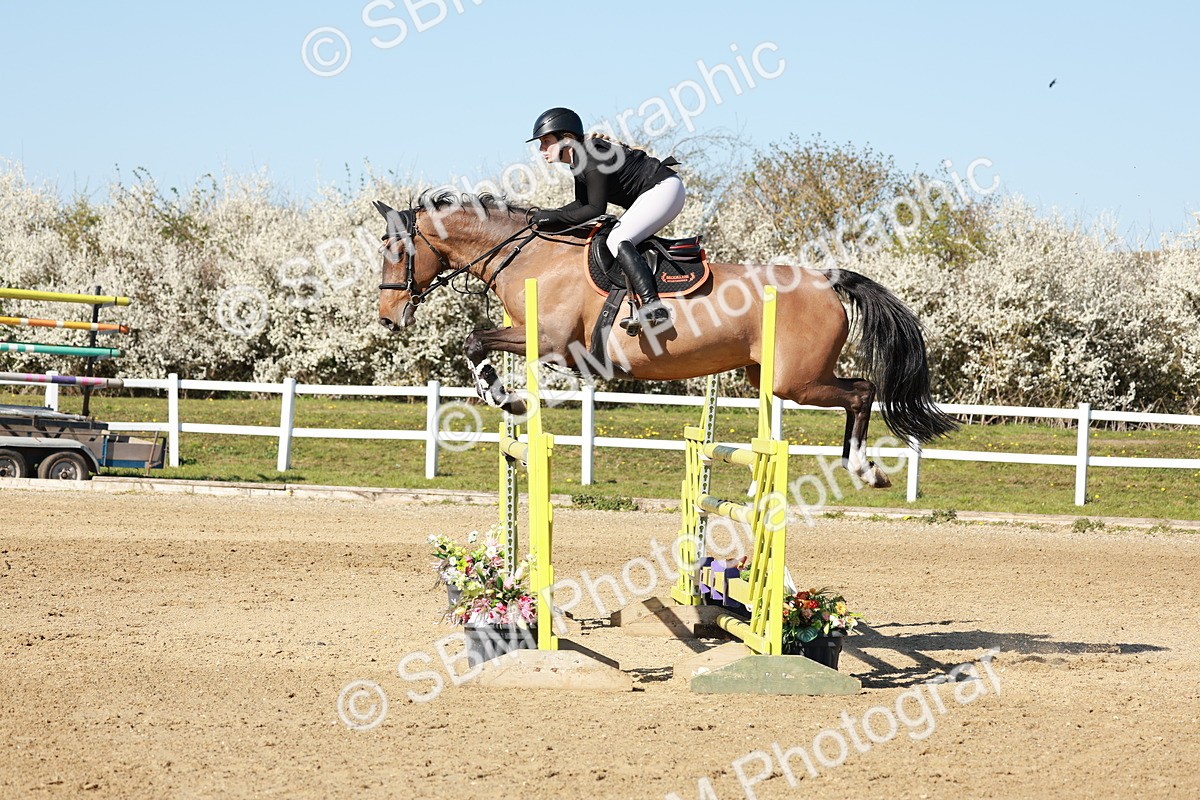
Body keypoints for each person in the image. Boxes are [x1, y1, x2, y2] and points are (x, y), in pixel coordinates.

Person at [526, 107, 685, 331]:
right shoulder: (578, 159)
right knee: (618, 236)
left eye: (546, 141)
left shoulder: (589, 156)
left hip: (664, 188)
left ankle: (653, 306)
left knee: (616, 238)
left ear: (567, 138)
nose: (541, 149)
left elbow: (594, 209)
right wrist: (545, 216)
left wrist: (552, 217)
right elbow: (580, 204)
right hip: (656, 191)